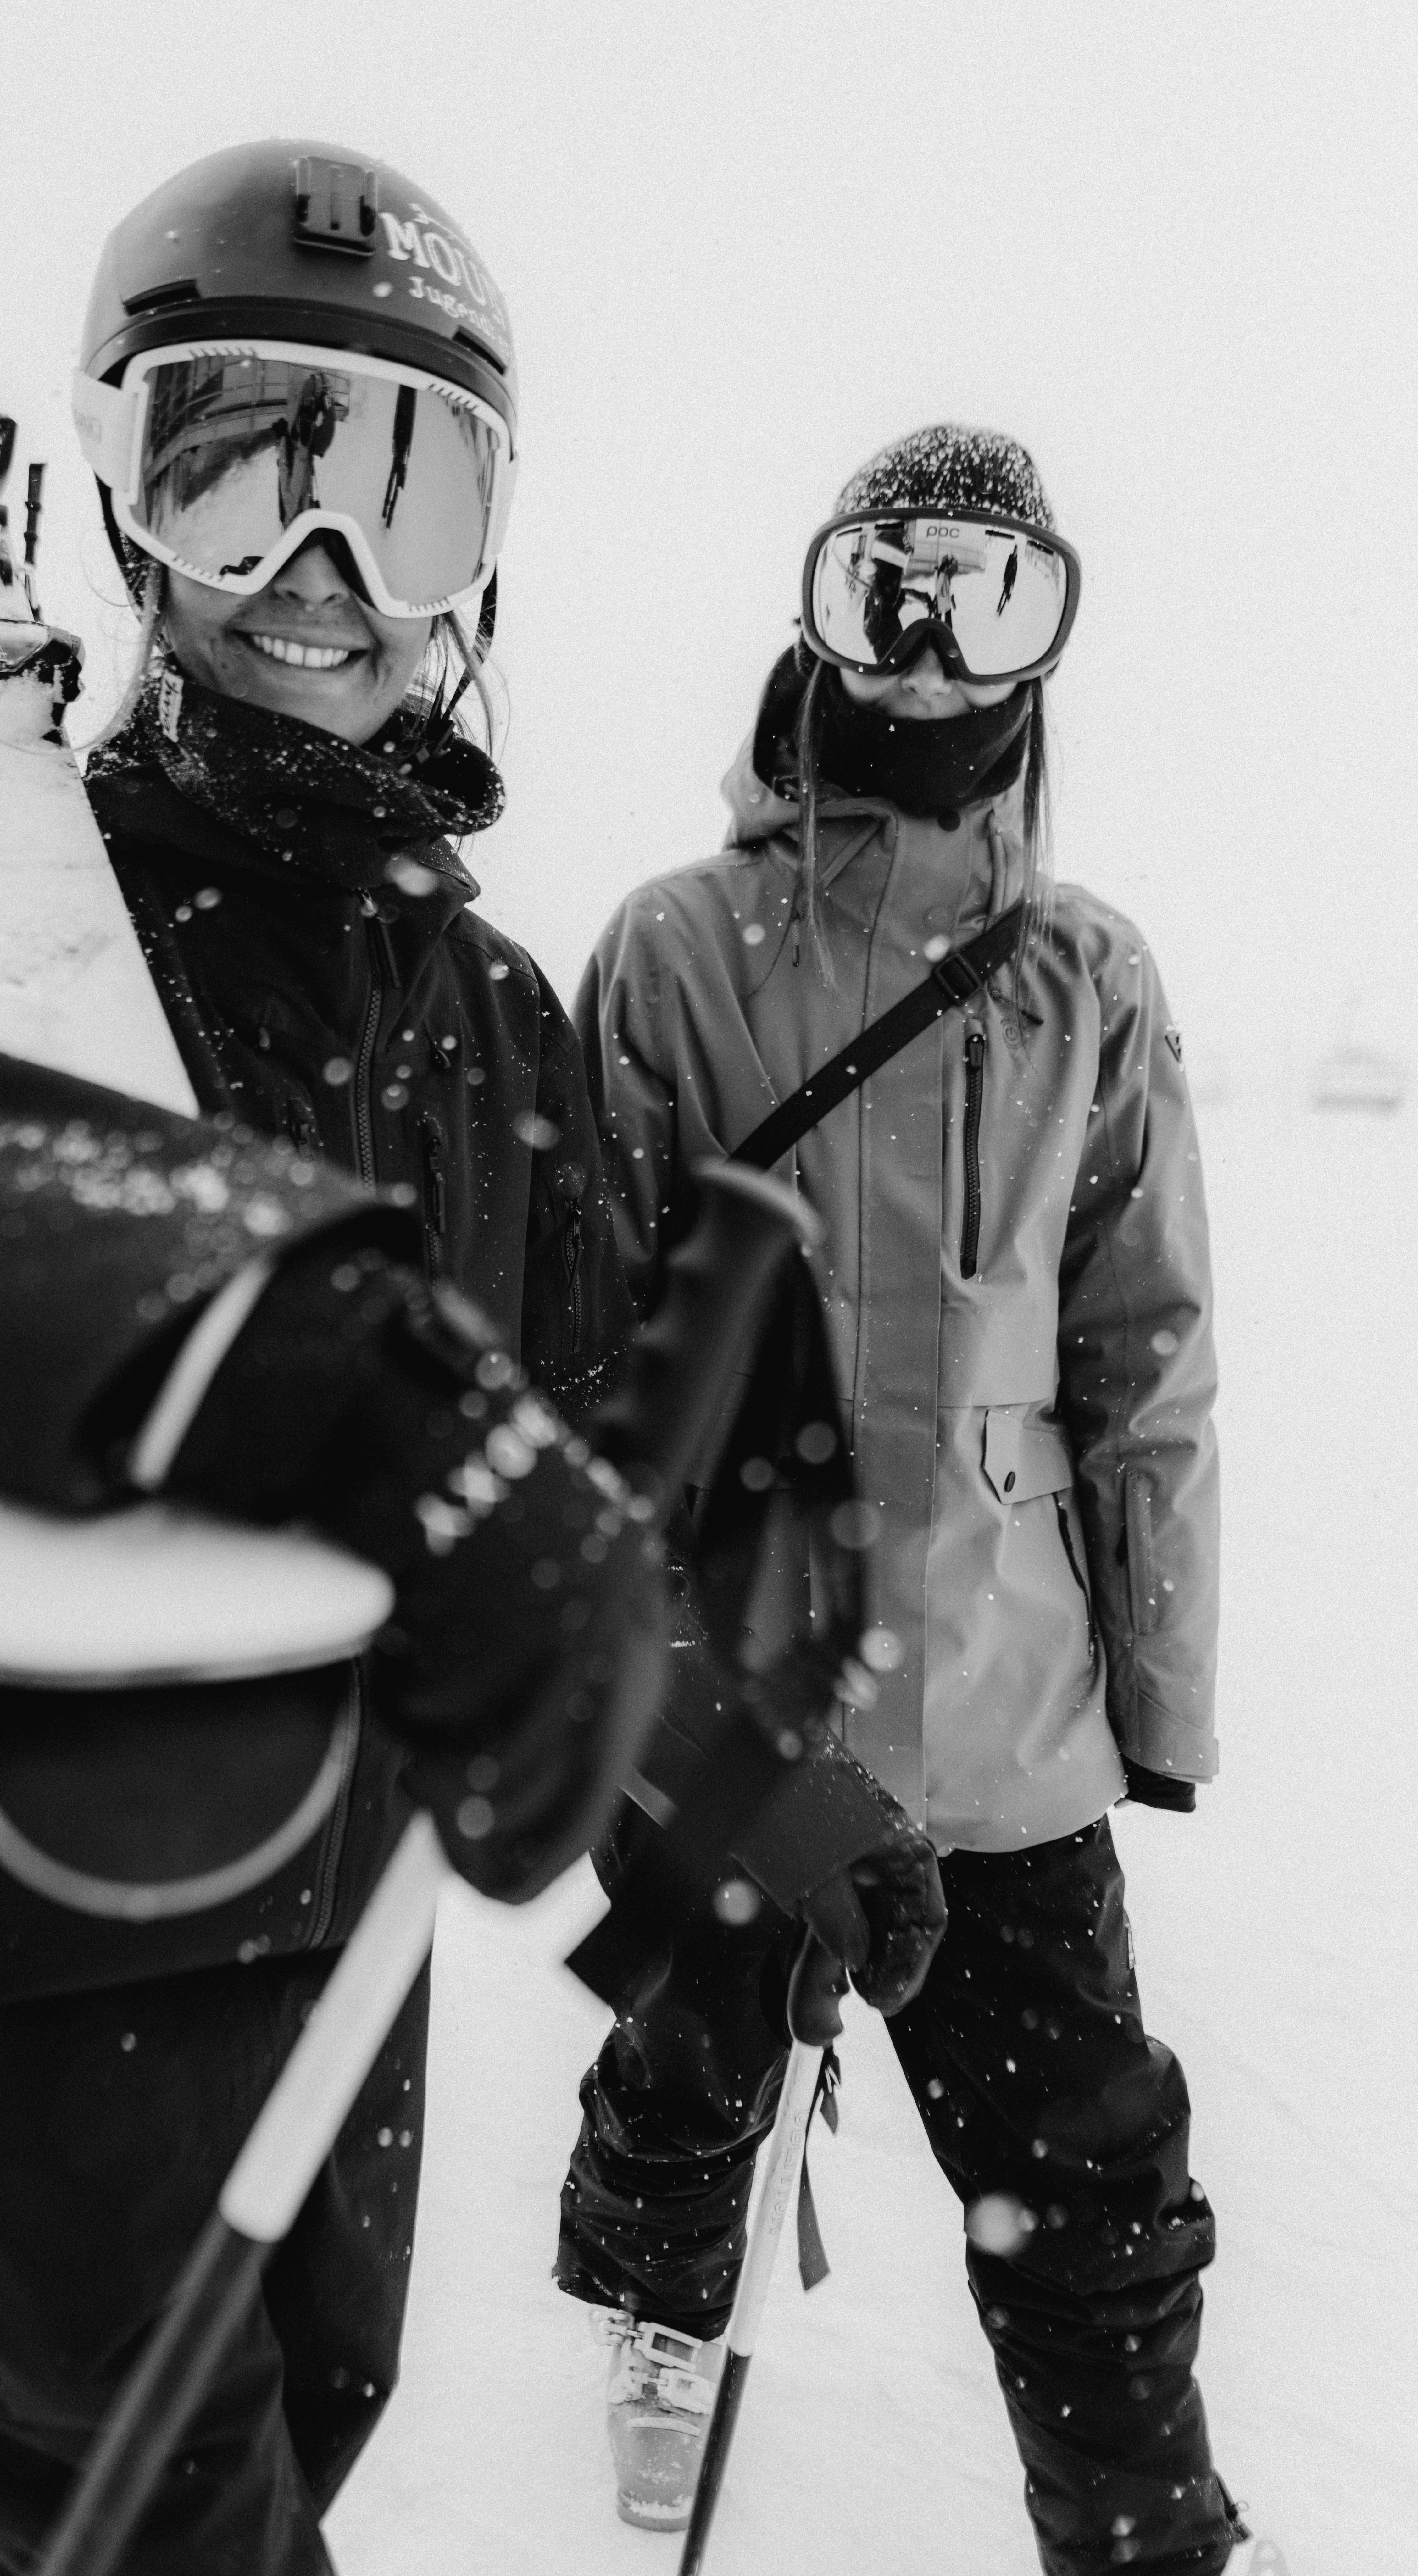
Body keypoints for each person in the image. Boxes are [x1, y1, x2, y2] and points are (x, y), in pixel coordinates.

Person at [0, 139, 667, 2576]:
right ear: (124, 503)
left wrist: (735, 1836)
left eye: (402, 491)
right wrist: (267, 1326)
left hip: (341, 1958)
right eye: (243, 466)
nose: (319, 576)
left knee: (289, 2465)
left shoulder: (495, 1023)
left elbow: (561, 1492)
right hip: (33, 1974)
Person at [554, 425, 1253, 2576]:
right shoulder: (675, 951)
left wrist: (1158, 1709)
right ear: (816, 614)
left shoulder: (1092, 979)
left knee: (1091, 2189)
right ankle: (660, 2342)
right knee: (687, 2091)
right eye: (889, 590)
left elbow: (1149, 1365)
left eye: (993, 597)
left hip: (1001, 1711)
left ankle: (1143, 2533)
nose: (936, 655)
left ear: (1051, 645)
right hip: (737, 1697)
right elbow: (590, 1346)